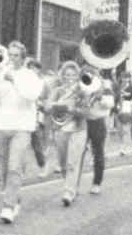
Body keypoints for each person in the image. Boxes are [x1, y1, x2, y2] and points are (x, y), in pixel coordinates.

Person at [0, 41, 43, 224]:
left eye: (16, 55)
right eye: (11, 54)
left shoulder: (29, 75)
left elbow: (32, 95)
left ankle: (8, 206)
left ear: (23, 58)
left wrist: (12, 79)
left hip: (21, 128)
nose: (12, 58)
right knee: (1, 166)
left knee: (14, 167)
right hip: (0, 126)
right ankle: (15, 199)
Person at [44, 61, 86, 206]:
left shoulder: (82, 90)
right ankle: (71, 185)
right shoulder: (57, 91)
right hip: (60, 128)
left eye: (73, 75)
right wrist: (57, 106)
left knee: (72, 162)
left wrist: (72, 109)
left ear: (77, 76)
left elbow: (85, 112)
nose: (70, 77)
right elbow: (47, 107)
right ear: (62, 75)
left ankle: (69, 192)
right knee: (63, 163)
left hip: (78, 129)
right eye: (67, 74)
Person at [74, 65, 115, 194]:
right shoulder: (79, 85)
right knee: (77, 153)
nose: (89, 75)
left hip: (97, 122)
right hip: (82, 121)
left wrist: (100, 97)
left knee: (98, 152)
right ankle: (74, 184)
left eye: (92, 72)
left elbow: (110, 104)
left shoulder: (104, 86)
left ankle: (97, 182)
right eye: (86, 72)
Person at [116, 71, 132, 155]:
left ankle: (124, 148)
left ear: (129, 79)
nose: (125, 79)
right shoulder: (118, 87)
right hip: (118, 109)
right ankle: (124, 146)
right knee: (120, 130)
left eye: (126, 77)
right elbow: (116, 98)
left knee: (126, 129)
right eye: (123, 77)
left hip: (127, 109)